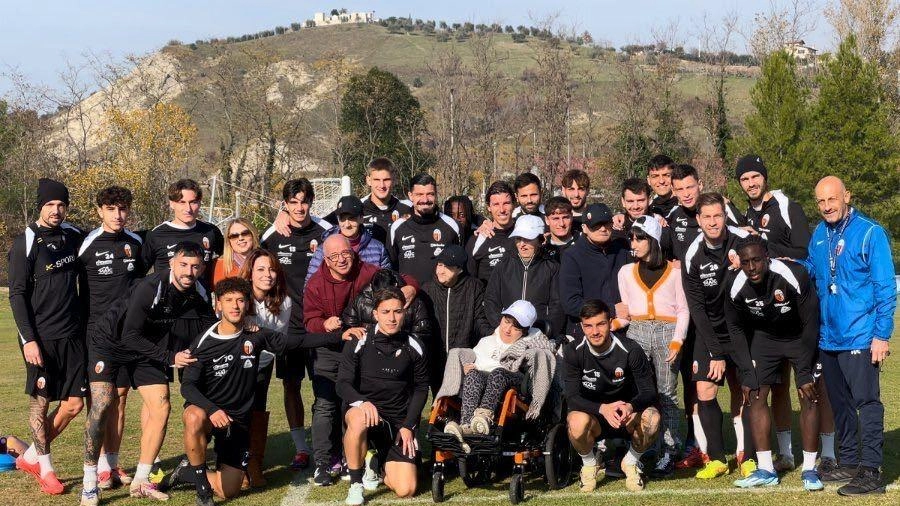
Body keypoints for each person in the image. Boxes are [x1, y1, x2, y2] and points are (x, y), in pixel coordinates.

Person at [172, 277, 345, 506]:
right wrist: (212, 409)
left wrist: (337, 336)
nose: (235, 306)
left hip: (238, 422)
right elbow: (188, 387)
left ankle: (185, 472)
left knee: (230, 491)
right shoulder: (203, 342)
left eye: (241, 300)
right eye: (229, 300)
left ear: (247, 305)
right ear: (218, 305)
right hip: (209, 414)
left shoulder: (257, 335)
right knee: (193, 416)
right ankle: (203, 489)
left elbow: (295, 342)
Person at [82, 242, 216, 502]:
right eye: (184, 265)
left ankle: (142, 480)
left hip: (145, 350)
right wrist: (169, 357)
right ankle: (89, 481)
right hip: (109, 344)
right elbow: (129, 334)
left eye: (196, 266)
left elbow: (211, 329)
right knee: (102, 404)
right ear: (172, 263)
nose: (189, 271)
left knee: (161, 405)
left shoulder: (198, 290)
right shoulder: (150, 287)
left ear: (202, 268)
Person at [801, 176, 895, 496]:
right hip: (829, 336)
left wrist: (881, 335)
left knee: (866, 403)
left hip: (860, 336)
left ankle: (871, 471)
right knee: (839, 405)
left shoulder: (870, 233)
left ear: (847, 196)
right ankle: (851, 461)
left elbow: (885, 288)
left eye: (832, 199)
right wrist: (781, 266)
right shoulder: (819, 234)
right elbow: (811, 270)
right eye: (821, 201)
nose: (827, 206)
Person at [304, 235, 417, 486]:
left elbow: (398, 279)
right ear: (326, 259)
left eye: (345, 253)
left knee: (352, 404)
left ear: (353, 253)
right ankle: (323, 462)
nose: (341, 260)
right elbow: (309, 321)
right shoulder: (315, 284)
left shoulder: (367, 271)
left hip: (363, 347)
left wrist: (410, 287)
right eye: (334, 256)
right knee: (326, 404)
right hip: (331, 347)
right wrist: (325, 325)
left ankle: (352, 457)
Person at [735, 154, 815, 472]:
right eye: (744, 179)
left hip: (795, 311)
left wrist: (768, 255)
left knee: (809, 387)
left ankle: (825, 454)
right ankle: (785, 454)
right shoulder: (745, 216)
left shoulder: (786, 206)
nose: (751, 183)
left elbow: (804, 250)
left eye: (755, 176)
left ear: (764, 178)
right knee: (776, 390)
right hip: (764, 319)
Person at [725, 236, 823, 491]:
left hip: (800, 336)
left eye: (757, 260)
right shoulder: (735, 285)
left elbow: (811, 322)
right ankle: (766, 468)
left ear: (767, 257)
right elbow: (735, 329)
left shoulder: (794, 274)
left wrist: (803, 371)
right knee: (755, 395)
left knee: (807, 392)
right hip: (765, 338)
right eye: (745, 262)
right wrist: (747, 373)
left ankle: (810, 468)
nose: (752, 267)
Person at [9, 178, 86, 496]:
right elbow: (16, 294)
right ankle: (47, 468)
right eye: (50, 204)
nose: (56, 210)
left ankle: (29, 457)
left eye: (61, 205)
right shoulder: (26, 241)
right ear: (40, 206)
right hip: (40, 338)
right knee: (40, 403)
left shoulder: (74, 236)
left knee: (74, 404)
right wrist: (29, 340)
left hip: (73, 337)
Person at [76, 186, 145, 497]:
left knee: (120, 399)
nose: (119, 215)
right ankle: (98, 466)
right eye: (112, 209)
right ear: (100, 211)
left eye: (123, 209)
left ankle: (113, 463)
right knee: (101, 403)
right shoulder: (85, 245)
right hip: (97, 336)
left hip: (128, 335)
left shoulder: (136, 243)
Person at [682, 193, 755, 480]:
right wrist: (716, 352)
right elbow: (697, 308)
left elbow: (763, 271)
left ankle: (746, 457)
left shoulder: (743, 241)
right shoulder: (693, 254)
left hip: (742, 329)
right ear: (698, 220)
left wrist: (745, 268)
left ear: (725, 215)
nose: (713, 222)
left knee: (744, 389)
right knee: (704, 390)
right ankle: (716, 459)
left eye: (718, 215)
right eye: (707, 217)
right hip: (709, 331)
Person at [261, 178, 330, 470]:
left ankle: (327, 444)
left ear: (311, 202)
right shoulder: (273, 236)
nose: (299, 208)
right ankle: (301, 447)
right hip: (286, 326)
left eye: (304, 201)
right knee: (291, 385)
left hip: (319, 324)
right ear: (285, 205)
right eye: (293, 202)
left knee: (324, 386)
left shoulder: (326, 232)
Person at [338, 287, 430, 505]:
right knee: (360, 418)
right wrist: (362, 402)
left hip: (397, 421)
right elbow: (342, 384)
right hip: (364, 413)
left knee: (407, 489)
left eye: (397, 311)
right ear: (375, 314)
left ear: (404, 312)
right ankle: (356, 484)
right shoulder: (359, 340)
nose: (392, 317)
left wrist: (408, 425)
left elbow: (421, 388)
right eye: (386, 311)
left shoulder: (414, 345)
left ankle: (376, 463)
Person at [614, 216, 689, 477]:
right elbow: (625, 315)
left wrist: (677, 340)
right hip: (637, 333)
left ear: (653, 240)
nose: (633, 243)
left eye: (639, 237)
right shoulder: (625, 272)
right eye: (632, 237)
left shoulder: (675, 272)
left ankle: (669, 451)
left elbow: (683, 309)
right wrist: (609, 324)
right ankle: (641, 447)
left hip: (667, 333)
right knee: (639, 392)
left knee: (667, 393)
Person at [563, 299, 661, 493]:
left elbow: (650, 392)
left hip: (627, 417)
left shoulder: (630, 349)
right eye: (588, 326)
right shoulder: (573, 351)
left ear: (610, 322)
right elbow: (571, 396)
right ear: (582, 327)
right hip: (595, 418)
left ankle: (631, 463)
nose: (595, 331)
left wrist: (630, 406)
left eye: (600, 324)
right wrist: (602, 409)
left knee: (653, 418)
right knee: (575, 421)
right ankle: (590, 464)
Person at [442, 300, 552, 439]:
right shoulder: (486, 341)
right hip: (485, 381)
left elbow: (541, 359)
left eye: (516, 327)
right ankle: (467, 425)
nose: (507, 330)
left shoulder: (530, 344)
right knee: (473, 374)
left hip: (513, 381)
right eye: (506, 321)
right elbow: (476, 363)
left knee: (498, 372)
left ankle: (484, 416)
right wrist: (468, 368)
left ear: (525, 331)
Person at [238, 249, 293, 487]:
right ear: (250, 273)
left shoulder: (285, 301)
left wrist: (258, 343)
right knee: (236, 411)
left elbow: (276, 343)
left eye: (272, 269)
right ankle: (233, 463)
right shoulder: (237, 296)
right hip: (235, 364)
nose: (267, 275)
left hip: (261, 363)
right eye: (261, 269)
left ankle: (254, 463)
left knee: (257, 408)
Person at [421, 245, 491, 393]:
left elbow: (480, 320)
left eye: (447, 267)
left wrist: (493, 337)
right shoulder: (427, 288)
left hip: (463, 356)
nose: (440, 270)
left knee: (461, 397)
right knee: (440, 399)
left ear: (459, 269)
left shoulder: (474, 287)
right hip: (435, 357)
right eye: (439, 265)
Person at [484, 215, 564, 336]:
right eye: (518, 238)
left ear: (540, 240)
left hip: (539, 337)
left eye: (527, 239)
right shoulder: (503, 266)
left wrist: (545, 332)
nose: (522, 244)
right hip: (507, 335)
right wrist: (502, 328)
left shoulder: (552, 268)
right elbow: (491, 301)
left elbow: (557, 307)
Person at [559, 203, 629, 335]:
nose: (602, 229)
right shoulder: (572, 256)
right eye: (595, 226)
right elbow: (571, 303)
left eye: (606, 224)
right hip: (587, 332)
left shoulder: (622, 249)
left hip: (621, 329)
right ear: (584, 228)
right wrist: (611, 309)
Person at [142, 178, 224, 280]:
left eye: (193, 202)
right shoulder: (156, 235)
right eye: (182, 202)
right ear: (172, 204)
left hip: (201, 295)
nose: (188, 209)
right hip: (168, 295)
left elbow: (229, 259)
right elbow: (139, 274)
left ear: (199, 203)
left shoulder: (210, 230)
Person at [388, 173, 460, 285]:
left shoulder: (452, 226)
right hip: (410, 298)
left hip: (442, 299)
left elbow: (461, 265)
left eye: (430, 194)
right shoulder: (397, 227)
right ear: (410, 195)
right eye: (419, 194)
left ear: (436, 195)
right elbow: (391, 267)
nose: (425, 200)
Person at [665, 164, 745, 262]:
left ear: (700, 185)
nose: (686, 194)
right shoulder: (672, 216)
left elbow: (744, 236)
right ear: (673, 191)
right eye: (680, 189)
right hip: (687, 275)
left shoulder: (722, 208)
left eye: (690, 187)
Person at [307, 195, 391, 283]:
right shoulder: (323, 249)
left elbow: (387, 282)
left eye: (352, 218)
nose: (347, 224)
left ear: (361, 218)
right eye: (342, 219)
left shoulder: (378, 248)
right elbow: (311, 285)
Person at [466, 182, 516, 284]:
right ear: (489, 207)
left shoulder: (525, 234)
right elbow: (469, 284)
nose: (502, 210)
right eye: (496, 204)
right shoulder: (477, 239)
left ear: (514, 204)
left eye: (506, 203)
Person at [361, 157, 402, 245]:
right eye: (376, 180)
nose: (382, 185)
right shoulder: (358, 208)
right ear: (368, 181)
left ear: (394, 180)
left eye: (386, 180)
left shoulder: (406, 208)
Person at [212, 218, 258, 288]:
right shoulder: (218, 265)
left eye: (245, 233)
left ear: (252, 235)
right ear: (228, 241)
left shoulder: (266, 260)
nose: (240, 238)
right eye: (234, 236)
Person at [541, 197, 579, 262]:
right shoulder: (541, 248)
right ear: (547, 220)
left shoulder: (583, 242)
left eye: (565, 217)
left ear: (572, 217)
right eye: (556, 218)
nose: (561, 224)